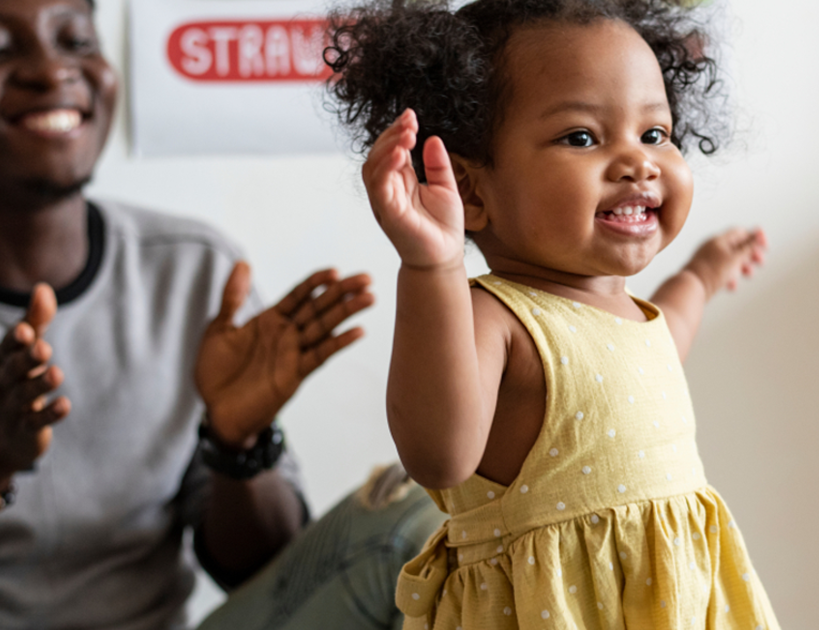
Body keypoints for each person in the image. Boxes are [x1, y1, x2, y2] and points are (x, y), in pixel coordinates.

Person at [0, 0, 444, 628]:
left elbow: (270, 576)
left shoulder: (194, 271)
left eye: (76, 41)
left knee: (421, 518)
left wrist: (237, 445)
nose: (52, 70)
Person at [324, 0, 783, 628]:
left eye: (654, 134)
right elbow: (439, 455)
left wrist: (701, 276)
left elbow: (664, 341)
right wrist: (433, 267)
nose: (638, 162)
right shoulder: (498, 317)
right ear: (472, 190)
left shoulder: (627, 316)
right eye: (582, 137)